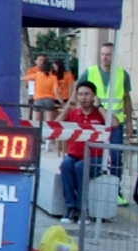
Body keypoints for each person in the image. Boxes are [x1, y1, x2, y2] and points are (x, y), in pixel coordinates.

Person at [78, 42, 133, 205]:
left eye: (108, 54)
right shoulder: (90, 72)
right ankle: (93, 191)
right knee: (94, 156)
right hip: (95, 121)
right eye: (102, 54)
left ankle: (116, 191)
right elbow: (78, 91)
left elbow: (126, 99)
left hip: (115, 123)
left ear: (114, 56)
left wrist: (129, 122)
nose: (104, 58)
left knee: (116, 157)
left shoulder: (122, 74)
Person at [57, 82, 106, 223]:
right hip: (74, 156)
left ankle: (82, 209)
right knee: (66, 164)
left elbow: (114, 123)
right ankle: (70, 207)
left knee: (80, 167)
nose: (83, 97)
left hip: (96, 158)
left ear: (93, 97)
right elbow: (56, 123)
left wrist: (100, 106)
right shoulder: (73, 113)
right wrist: (68, 105)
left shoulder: (100, 115)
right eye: (80, 94)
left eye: (87, 94)